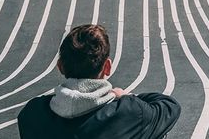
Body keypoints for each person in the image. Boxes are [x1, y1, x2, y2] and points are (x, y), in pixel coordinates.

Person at [17, 24, 181, 139]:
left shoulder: (32, 114)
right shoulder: (129, 112)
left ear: (60, 66)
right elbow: (169, 106)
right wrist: (126, 96)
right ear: (107, 67)